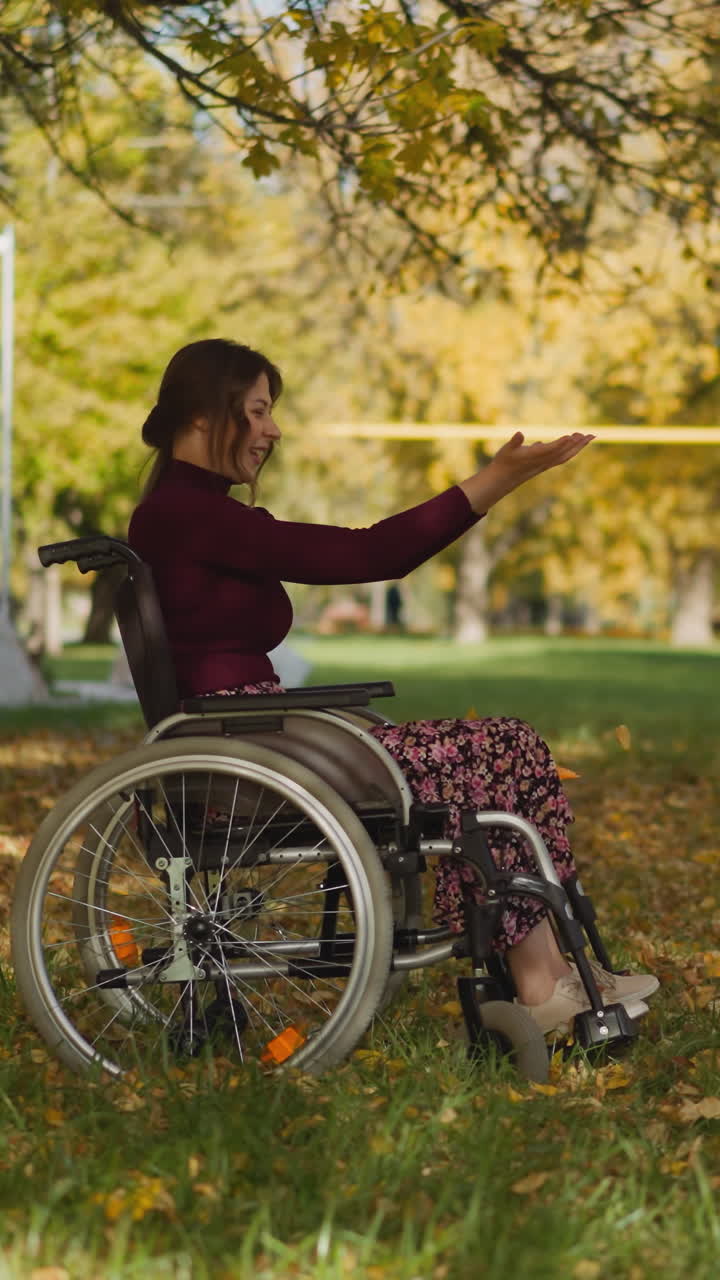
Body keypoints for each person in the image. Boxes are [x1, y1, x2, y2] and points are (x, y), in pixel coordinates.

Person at [128, 338, 659, 1035]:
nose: (273, 430)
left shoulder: (194, 515)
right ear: (201, 416)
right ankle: (539, 984)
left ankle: (560, 966)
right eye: (257, 412)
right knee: (495, 749)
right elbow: (371, 552)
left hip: (255, 738)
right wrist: (494, 480)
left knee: (514, 745)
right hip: (248, 750)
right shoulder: (188, 515)